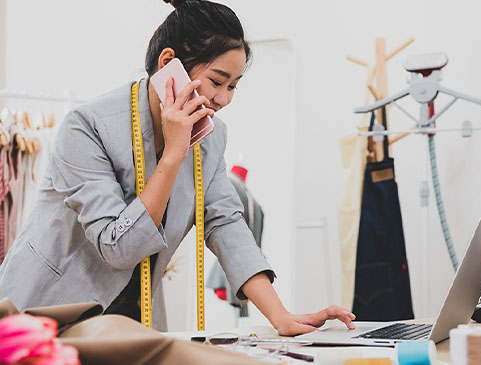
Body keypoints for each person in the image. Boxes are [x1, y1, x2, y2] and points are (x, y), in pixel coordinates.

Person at [0, 0, 355, 335]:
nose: (224, 99)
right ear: (168, 62)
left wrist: (282, 317)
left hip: (129, 319)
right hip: (44, 314)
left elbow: (226, 222)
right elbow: (118, 247)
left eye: (233, 86)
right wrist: (172, 155)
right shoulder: (87, 127)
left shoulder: (211, 139)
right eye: (217, 81)